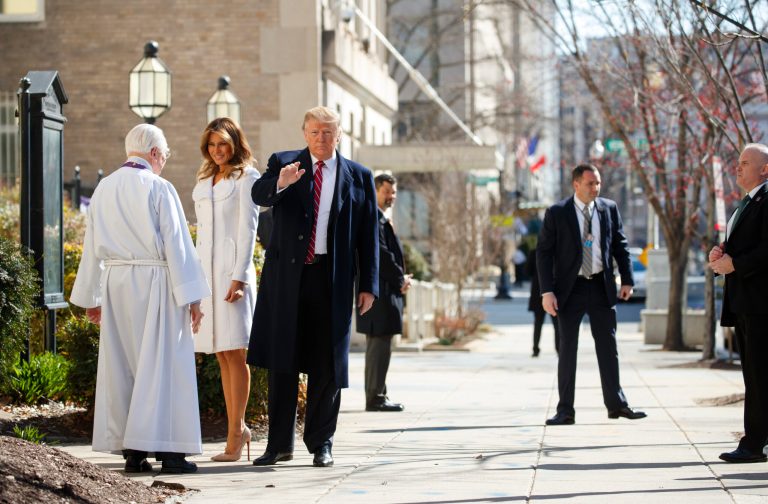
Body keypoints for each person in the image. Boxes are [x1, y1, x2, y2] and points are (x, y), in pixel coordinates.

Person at [70, 124, 210, 474]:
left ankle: (133, 452)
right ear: (153, 154)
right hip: (156, 283)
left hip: (117, 283)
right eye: (164, 155)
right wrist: (193, 298)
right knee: (163, 366)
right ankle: (172, 452)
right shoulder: (159, 188)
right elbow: (178, 246)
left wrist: (92, 295)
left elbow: (92, 244)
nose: (163, 161)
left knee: (125, 367)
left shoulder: (104, 188)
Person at [247, 106, 379, 468]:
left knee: (328, 366)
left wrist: (369, 284)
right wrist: (282, 182)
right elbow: (259, 195)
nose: (321, 138)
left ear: (339, 135)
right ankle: (278, 445)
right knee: (282, 363)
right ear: (304, 133)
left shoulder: (359, 176)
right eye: (315, 132)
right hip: (287, 280)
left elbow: (369, 234)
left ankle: (322, 442)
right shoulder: (284, 162)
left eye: (328, 132)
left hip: (331, 280)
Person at [537, 163, 645, 425]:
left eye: (598, 183)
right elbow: (544, 253)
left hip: (600, 286)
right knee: (568, 349)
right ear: (576, 185)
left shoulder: (608, 209)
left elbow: (620, 245)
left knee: (608, 347)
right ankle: (565, 410)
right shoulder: (557, 212)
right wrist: (546, 291)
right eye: (590, 184)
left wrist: (627, 279)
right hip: (569, 290)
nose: (595, 188)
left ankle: (616, 405)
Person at [192, 118, 260, 462]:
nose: (218, 151)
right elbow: (201, 233)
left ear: (235, 143)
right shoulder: (205, 179)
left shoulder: (246, 178)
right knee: (220, 354)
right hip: (206, 275)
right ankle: (237, 429)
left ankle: (237, 432)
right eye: (212, 144)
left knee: (236, 351)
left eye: (224, 144)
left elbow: (248, 228)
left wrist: (240, 276)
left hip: (233, 275)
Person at [709, 143, 768, 463]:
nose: (737, 168)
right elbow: (742, 245)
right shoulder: (746, 203)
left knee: (759, 376)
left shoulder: (765, 199)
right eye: (738, 162)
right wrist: (720, 254)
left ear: (765, 169)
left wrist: (736, 264)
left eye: (745, 163)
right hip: (746, 303)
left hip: (761, 304)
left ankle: (754, 443)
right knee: (754, 375)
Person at [357, 174, 410, 412]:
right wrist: (400, 279)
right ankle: (376, 397)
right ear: (375, 191)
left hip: (381, 290)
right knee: (379, 344)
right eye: (387, 191)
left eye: (394, 192)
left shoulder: (379, 217)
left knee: (378, 345)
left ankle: (378, 393)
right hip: (380, 292)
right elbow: (382, 254)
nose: (391, 196)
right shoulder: (373, 219)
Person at [526, 247, 559, 357]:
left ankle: (535, 349)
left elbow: (528, 271)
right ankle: (559, 349)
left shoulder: (534, 252)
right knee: (557, 324)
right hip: (553, 292)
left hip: (538, 292)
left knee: (538, 323)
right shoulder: (557, 252)